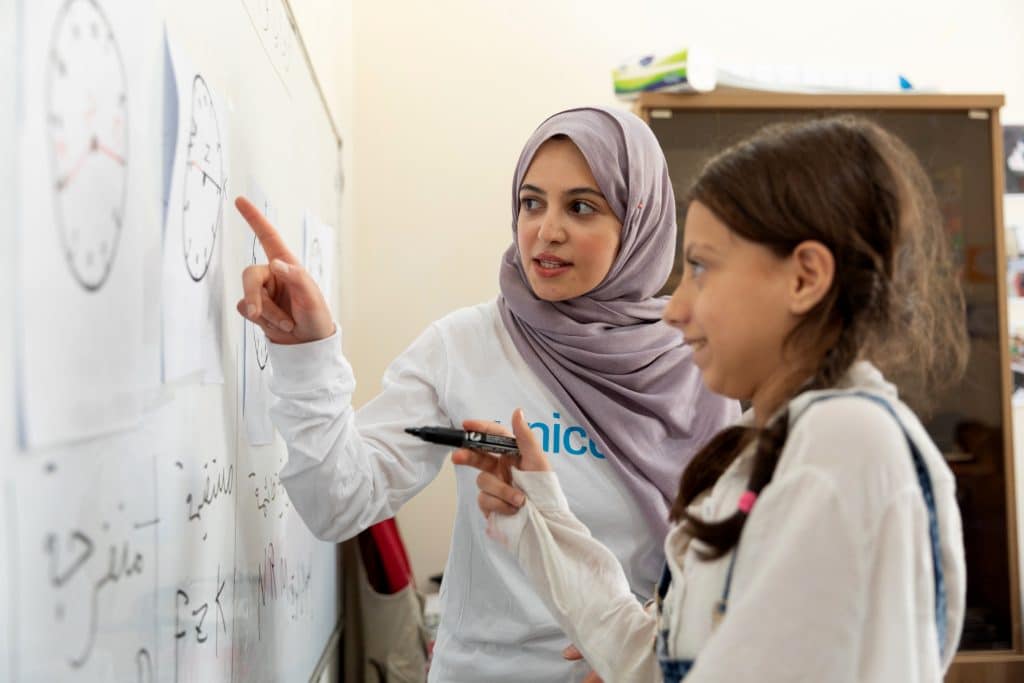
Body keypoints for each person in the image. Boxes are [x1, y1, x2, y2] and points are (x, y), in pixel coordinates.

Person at [234, 106, 738, 682]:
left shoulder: (696, 363)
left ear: (639, 223)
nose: (547, 230)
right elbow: (337, 502)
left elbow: (724, 560)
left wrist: (645, 644)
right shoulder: (465, 345)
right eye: (531, 202)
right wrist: (308, 353)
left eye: (581, 207)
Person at [458, 115, 969, 682]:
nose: (676, 310)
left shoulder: (844, 447)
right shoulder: (779, 446)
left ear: (804, 278)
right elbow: (660, 660)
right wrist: (539, 514)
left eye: (701, 267)